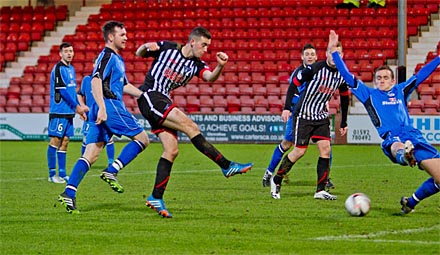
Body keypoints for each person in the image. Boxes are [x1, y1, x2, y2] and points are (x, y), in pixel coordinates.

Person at [136, 26, 253, 218]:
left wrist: (220, 66)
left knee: (172, 150)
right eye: (204, 45)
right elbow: (140, 52)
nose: (206, 49)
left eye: (208, 46)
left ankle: (156, 197)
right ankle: (226, 165)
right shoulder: (168, 47)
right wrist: (144, 47)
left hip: (163, 99)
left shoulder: (196, 65)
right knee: (191, 127)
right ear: (192, 41)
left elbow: (210, 78)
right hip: (150, 96)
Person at [328, 30, 440, 214]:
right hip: (392, 138)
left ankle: (410, 202)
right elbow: (347, 76)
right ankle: (405, 155)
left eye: (385, 77)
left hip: (414, 136)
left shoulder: (400, 90)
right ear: (374, 81)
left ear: (393, 80)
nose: (382, 80)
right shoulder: (369, 94)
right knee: (397, 145)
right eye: (378, 78)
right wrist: (333, 51)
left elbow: (422, 74)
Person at [58, 20, 150, 214]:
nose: (126, 37)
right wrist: (102, 107)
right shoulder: (107, 56)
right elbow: (95, 80)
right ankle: (112, 170)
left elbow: (124, 85)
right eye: (122, 34)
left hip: (103, 108)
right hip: (110, 105)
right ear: (111, 37)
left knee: (90, 154)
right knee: (143, 139)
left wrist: (144, 95)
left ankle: (69, 192)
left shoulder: (117, 59)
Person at [270, 39, 350, 200]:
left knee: (325, 150)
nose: (335, 56)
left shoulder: (343, 74)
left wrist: (344, 121)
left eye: (338, 54)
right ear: (327, 53)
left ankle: (320, 190)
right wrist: (287, 107)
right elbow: (294, 84)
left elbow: (344, 96)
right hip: (304, 115)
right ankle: (276, 179)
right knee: (299, 151)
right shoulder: (315, 69)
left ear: (342, 55)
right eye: (332, 53)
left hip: (320, 116)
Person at [262, 44, 336, 190]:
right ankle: (269, 173)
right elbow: (293, 92)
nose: (310, 56)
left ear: (316, 57)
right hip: (300, 115)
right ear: (302, 57)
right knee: (287, 144)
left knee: (325, 146)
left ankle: (325, 179)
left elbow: (323, 90)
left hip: (316, 115)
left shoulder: (322, 71)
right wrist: (288, 108)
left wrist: (325, 101)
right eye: (307, 54)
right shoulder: (299, 72)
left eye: (312, 54)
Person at [47, 42, 87, 184]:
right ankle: (52, 174)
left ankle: (62, 173)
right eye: (66, 51)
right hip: (59, 111)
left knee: (65, 142)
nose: (69, 53)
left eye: (71, 51)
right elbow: (63, 91)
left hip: (69, 111)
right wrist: (77, 108)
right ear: (60, 54)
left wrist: (79, 108)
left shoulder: (72, 69)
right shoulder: (58, 68)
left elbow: (72, 91)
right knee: (55, 141)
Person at [77, 58, 115, 166]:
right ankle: (83, 160)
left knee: (110, 138)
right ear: (94, 65)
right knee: (86, 139)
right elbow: (79, 94)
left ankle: (110, 163)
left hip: (104, 114)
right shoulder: (87, 80)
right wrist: (82, 106)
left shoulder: (107, 81)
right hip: (90, 115)